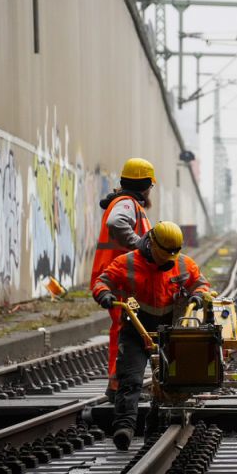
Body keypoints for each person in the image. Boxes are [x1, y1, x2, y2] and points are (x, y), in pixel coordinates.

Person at [93, 221, 210, 451]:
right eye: (167, 254)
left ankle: (155, 428)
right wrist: (104, 295)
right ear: (152, 244)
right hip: (136, 330)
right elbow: (102, 281)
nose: (170, 259)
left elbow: (201, 284)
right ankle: (124, 427)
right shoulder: (127, 262)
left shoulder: (183, 264)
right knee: (131, 379)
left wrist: (198, 295)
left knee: (169, 383)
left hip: (170, 332)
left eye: (174, 254)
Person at [89, 158, 156, 398]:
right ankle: (119, 386)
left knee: (126, 329)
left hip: (121, 277)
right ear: (147, 184)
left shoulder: (129, 203)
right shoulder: (127, 204)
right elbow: (116, 222)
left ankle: (120, 383)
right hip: (118, 278)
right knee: (126, 330)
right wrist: (140, 245)